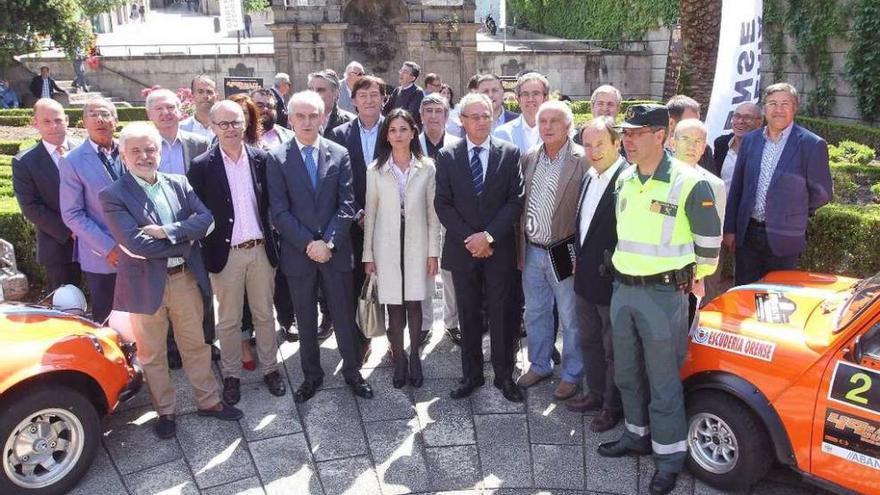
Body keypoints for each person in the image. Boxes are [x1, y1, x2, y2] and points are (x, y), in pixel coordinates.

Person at [598, 104, 721, 495]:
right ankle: (636, 435)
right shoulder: (625, 179)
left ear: (660, 136)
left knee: (664, 380)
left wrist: (688, 281)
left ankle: (668, 458)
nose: (628, 140)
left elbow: (710, 248)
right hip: (623, 291)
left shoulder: (689, 183)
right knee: (627, 374)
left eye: (636, 133)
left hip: (664, 294)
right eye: (626, 133)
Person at [99, 122, 242, 440]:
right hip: (144, 285)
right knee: (152, 354)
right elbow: (137, 245)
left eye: (150, 149)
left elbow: (208, 220)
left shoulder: (179, 184)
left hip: (184, 280)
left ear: (159, 152)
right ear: (123, 155)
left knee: (197, 345)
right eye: (135, 150)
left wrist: (168, 231)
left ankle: (209, 401)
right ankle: (165, 411)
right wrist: (187, 238)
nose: (144, 155)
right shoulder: (112, 195)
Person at [267, 90, 375, 403]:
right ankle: (312, 376)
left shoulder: (339, 153)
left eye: (313, 115)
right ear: (290, 118)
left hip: (335, 251)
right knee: (305, 317)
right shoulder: (276, 158)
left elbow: (347, 204)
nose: (307, 121)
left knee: (343, 315)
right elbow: (279, 211)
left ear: (323, 117)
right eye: (300, 115)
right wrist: (309, 244)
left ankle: (353, 373)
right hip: (299, 254)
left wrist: (327, 242)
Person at [188, 101, 285, 404]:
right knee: (228, 320)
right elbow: (197, 213)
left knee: (264, 315)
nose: (230, 129)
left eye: (235, 122)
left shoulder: (261, 159)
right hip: (225, 254)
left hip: (259, 250)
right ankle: (231, 375)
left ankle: (271, 369)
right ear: (213, 127)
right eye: (223, 124)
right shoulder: (202, 166)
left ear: (245, 124)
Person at [434, 92, 524, 403]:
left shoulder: (510, 154)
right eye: (474, 116)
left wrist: (488, 237)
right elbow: (443, 204)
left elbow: (515, 200)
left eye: (486, 115)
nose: (481, 121)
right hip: (463, 250)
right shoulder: (447, 156)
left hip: (499, 249)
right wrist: (471, 239)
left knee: (503, 315)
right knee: (468, 314)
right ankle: (471, 376)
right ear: (462, 121)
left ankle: (504, 376)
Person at [723, 83, 833, 286]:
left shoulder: (811, 144)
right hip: (747, 235)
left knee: (777, 299)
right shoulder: (750, 140)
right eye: (772, 103)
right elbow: (738, 187)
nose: (778, 109)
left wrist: (793, 208)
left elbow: (822, 193)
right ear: (764, 108)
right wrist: (730, 228)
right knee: (744, 293)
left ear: (795, 107)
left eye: (785, 104)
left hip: (785, 237)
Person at [515, 100, 588, 401]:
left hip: (563, 248)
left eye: (554, 122)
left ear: (568, 126)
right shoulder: (530, 157)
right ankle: (539, 364)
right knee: (535, 312)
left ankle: (572, 374)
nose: (547, 127)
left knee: (570, 317)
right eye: (543, 122)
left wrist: (580, 255)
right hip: (532, 249)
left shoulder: (582, 160)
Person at [363, 108, 440, 388]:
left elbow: (434, 214)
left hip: (418, 241)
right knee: (394, 305)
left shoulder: (427, 166)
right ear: (387, 134)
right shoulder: (375, 170)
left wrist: (434, 253)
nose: (398, 135)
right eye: (393, 130)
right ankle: (399, 359)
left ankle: (415, 356)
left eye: (403, 129)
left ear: (413, 132)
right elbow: (370, 214)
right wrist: (368, 256)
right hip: (386, 244)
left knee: (415, 301)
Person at [567, 117, 627, 433]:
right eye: (587, 145)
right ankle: (595, 393)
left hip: (613, 279)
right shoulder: (590, 176)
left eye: (600, 144)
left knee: (613, 347)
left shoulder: (626, 179)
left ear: (617, 143)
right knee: (587, 338)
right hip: (585, 275)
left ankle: (612, 406)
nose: (592, 151)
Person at [328, 75, 387, 355]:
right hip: (353, 222)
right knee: (356, 285)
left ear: (383, 98)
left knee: (391, 284)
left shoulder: (396, 128)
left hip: (390, 221)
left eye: (374, 95)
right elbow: (337, 182)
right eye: (362, 96)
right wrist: (357, 213)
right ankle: (362, 340)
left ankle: (396, 342)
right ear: (352, 101)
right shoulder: (339, 135)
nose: (369, 100)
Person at [59, 98, 124, 324]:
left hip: (140, 252)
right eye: (93, 114)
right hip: (103, 257)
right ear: (84, 121)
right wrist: (109, 248)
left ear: (115, 121)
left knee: (146, 318)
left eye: (105, 114)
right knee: (109, 321)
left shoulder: (131, 150)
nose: (100, 119)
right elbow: (72, 213)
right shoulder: (72, 161)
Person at [12, 99, 81, 292]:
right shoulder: (24, 161)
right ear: (35, 123)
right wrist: (72, 231)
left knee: (107, 304)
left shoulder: (85, 151)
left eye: (58, 120)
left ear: (66, 120)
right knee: (66, 305)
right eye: (47, 121)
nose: (54, 126)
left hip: (99, 242)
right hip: (58, 246)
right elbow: (30, 207)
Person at [251, 88, 298, 343]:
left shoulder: (289, 138)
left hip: (284, 221)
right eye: (259, 105)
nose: (264, 109)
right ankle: (255, 328)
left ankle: (288, 321)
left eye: (269, 105)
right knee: (255, 280)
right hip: (253, 222)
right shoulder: (243, 139)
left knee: (284, 277)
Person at [671, 119, 727, 317]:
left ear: (704, 147)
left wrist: (698, 275)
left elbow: (713, 237)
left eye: (698, 141)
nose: (691, 146)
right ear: (672, 142)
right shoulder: (653, 176)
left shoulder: (714, 186)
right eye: (685, 139)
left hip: (689, 276)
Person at [418, 94, 461, 345]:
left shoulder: (457, 144)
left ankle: (452, 321)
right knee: (424, 271)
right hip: (420, 219)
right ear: (421, 116)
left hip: (449, 218)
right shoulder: (410, 145)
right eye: (428, 111)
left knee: (449, 272)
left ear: (447, 116)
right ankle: (424, 323)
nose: (433, 116)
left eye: (438, 111)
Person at [146, 89, 210, 176]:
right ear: (149, 114)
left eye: (170, 107)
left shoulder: (200, 144)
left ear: (179, 111)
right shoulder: (142, 146)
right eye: (159, 108)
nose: (165, 112)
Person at [713, 102, 762, 193]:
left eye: (747, 118)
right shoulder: (721, 144)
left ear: (759, 123)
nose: (740, 121)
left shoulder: (765, 149)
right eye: (737, 116)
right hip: (721, 205)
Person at [493, 72, 548, 153]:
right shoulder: (502, 133)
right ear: (518, 99)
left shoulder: (557, 132)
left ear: (545, 98)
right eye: (525, 94)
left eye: (536, 93)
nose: (530, 99)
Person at [664, 95, 713, 170]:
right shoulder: (652, 151)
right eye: (689, 122)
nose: (694, 126)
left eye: (696, 122)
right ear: (671, 123)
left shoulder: (704, 150)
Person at [307, 69, 355, 135]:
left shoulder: (351, 123)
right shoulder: (299, 121)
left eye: (320, 90)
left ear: (336, 94)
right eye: (310, 90)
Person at [383, 61, 425, 127]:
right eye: (401, 70)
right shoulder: (397, 90)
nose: (401, 73)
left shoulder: (418, 92)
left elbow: (409, 115)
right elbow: (385, 110)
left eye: (405, 72)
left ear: (412, 78)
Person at [180, 75, 217, 139]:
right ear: (192, 95)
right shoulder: (182, 129)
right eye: (200, 92)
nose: (205, 96)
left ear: (216, 96)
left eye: (209, 92)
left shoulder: (225, 128)